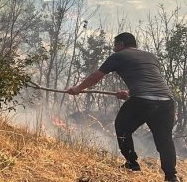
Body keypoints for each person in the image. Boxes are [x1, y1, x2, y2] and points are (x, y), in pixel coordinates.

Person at [67, 32, 179, 182]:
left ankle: (132, 163)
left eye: (115, 46)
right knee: (164, 140)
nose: (113, 49)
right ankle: (171, 177)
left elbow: (96, 76)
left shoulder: (119, 55)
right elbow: (148, 80)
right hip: (166, 101)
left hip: (143, 100)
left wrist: (78, 88)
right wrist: (129, 92)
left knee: (122, 128)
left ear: (120, 44)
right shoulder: (151, 57)